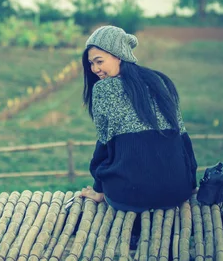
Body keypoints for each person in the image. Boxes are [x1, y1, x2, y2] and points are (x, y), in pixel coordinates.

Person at [79, 25, 198, 213]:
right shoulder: (160, 81)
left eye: (99, 61)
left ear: (119, 55)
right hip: (176, 192)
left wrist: (98, 190)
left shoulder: (103, 89)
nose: (95, 69)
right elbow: (183, 139)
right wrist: (190, 184)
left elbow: (103, 148)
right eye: (91, 64)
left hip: (128, 196)